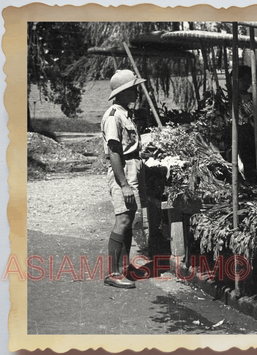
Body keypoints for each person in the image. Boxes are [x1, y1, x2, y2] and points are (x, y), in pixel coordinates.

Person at [101, 69, 147, 289]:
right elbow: (114, 152)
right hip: (123, 170)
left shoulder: (124, 113)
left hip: (131, 167)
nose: (136, 93)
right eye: (132, 89)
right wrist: (124, 184)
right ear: (122, 92)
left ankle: (124, 266)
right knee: (123, 219)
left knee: (129, 219)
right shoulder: (113, 116)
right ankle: (113, 272)